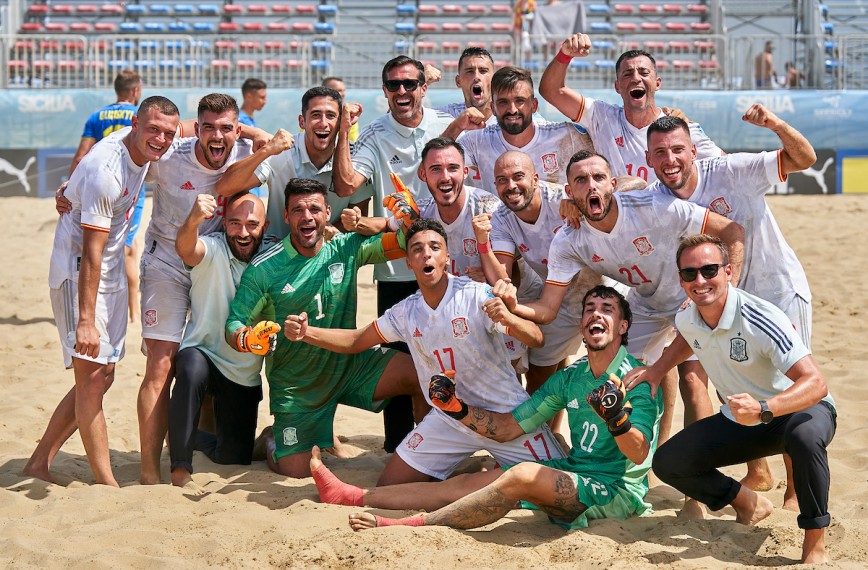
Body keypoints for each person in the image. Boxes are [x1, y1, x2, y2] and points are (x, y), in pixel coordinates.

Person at [308, 285, 663, 533]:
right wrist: (457, 408)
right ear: (582, 325)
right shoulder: (572, 378)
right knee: (472, 482)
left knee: (522, 474)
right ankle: (353, 495)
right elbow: (508, 428)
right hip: (573, 473)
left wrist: (617, 420)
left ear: (623, 326)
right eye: (589, 310)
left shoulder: (634, 379)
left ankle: (404, 525)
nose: (596, 315)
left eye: (607, 310)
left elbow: (640, 453)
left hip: (615, 492)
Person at [283, 218, 564, 485]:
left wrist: (510, 318)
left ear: (446, 258)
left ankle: (494, 468)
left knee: (555, 481)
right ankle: (475, 469)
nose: (426, 255)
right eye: (417, 249)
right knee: (389, 483)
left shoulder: (477, 295)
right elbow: (357, 340)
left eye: (434, 248)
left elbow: (537, 338)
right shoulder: (407, 312)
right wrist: (306, 333)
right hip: (450, 420)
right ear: (408, 262)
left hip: (505, 416)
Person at [505, 150, 745, 444]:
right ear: (569, 192)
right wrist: (512, 306)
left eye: (598, 178)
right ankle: (643, 454)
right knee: (620, 375)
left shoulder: (654, 206)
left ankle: (715, 473)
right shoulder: (569, 240)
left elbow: (731, 230)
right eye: (581, 180)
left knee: (695, 380)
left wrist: (727, 292)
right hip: (644, 302)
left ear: (612, 183)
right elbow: (548, 307)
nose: (591, 186)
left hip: (687, 296)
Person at [624, 235, 836, 565]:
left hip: (800, 409)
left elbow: (817, 383)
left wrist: (765, 408)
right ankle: (747, 503)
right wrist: (655, 371)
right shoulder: (688, 316)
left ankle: (814, 542)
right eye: (689, 274)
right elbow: (687, 339)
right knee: (668, 462)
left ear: (728, 273)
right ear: (681, 280)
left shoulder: (760, 317)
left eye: (709, 270)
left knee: (804, 438)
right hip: (746, 417)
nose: (700, 280)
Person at [645, 107, 818, 500]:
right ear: (648, 159)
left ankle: (796, 489)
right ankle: (759, 473)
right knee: (731, 382)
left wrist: (774, 125)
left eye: (677, 150)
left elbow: (805, 159)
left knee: (788, 387)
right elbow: (622, 195)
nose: (669, 160)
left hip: (777, 290)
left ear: (693, 151)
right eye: (659, 152)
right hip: (722, 303)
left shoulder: (732, 171)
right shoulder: (657, 197)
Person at [23, 96, 180, 486]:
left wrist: (255, 133)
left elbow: (193, 126)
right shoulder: (104, 171)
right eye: (153, 130)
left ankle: (39, 462)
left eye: (167, 132)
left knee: (101, 375)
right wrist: (86, 322)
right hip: (79, 272)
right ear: (134, 124)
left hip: (108, 271)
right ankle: (106, 483)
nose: (160, 139)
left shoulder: (152, 145)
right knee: (92, 377)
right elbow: (91, 254)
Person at [332, 55, 482, 452]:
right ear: (384, 91)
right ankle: (399, 447)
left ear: (423, 88)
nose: (402, 92)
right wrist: (345, 131)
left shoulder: (442, 118)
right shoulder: (375, 133)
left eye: (410, 85)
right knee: (400, 360)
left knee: (453, 355)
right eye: (393, 85)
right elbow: (347, 184)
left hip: (451, 266)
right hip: (398, 269)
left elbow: (480, 101)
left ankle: (454, 441)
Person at [225, 178, 422, 479]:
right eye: (299, 210)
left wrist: (410, 219)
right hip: (298, 386)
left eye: (315, 209)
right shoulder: (264, 269)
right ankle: (270, 440)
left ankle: (424, 454)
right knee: (300, 471)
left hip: (351, 365)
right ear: (287, 215)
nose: (308, 217)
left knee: (423, 376)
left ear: (328, 212)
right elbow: (234, 323)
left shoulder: (345, 247)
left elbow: (406, 245)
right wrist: (246, 339)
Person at [137, 93, 263, 484]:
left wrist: (258, 135)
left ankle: (205, 439)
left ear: (237, 130)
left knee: (214, 349)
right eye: (207, 127)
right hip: (169, 264)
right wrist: (71, 189)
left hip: (216, 260)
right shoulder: (171, 155)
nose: (217, 136)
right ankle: (149, 470)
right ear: (196, 129)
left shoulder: (248, 149)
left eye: (226, 127)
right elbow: (131, 151)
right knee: (163, 362)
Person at [474, 151, 589, 421]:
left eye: (518, 177)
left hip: (604, 293)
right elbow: (502, 277)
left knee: (617, 374)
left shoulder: (564, 196)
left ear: (535, 178)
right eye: (502, 180)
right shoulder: (501, 218)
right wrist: (482, 243)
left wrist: (577, 200)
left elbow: (631, 185)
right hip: (556, 300)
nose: (511, 186)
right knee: (541, 376)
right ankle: (547, 443)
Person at [168, 192, 269, 492]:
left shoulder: (272, 259)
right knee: (189, 368)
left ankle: (179, 431)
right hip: (202, 353)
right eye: (235, 224)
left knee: (234, 457)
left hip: (242, 372)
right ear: (224, 224)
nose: (242, 232)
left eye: (252, 224)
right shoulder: (213, 248)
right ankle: (180, 469)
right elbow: (187, 249)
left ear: (265, 226)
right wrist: (194, 220)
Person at [539, 35, 723, 184]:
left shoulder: (682, 131)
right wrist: (565, 54)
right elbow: (552, 90)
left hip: (666, 226)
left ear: (657, 83)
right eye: (627, 74)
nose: (636, 78)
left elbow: (726, 166)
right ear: (617, 86)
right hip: (619, 226)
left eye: (644, 73)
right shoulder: (601, 116)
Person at [216, 86, 372, 240]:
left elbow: (358, 216)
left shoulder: (354, 156)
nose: (323, 123)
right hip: (276, 257)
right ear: (302, 121)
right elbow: (225, 188)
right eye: (316, 115)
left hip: (329, 258)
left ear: (340, 123)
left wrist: (328, 233)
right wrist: (265, 151)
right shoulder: (281, 151)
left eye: (331, 116)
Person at [69, 70, 145, 323]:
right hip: (130, 189)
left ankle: (109, 304)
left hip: (99, 187)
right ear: (135, 91)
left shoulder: (96, 116)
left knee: (100, 247)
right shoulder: (138, 117)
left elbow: (82, 155)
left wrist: (70, 189)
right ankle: (133, 310)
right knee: (127, 250)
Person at [456, 65, 594, 191]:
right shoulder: (476, 141)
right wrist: (456, 126)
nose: (512, 109)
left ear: (534, 105)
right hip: (498, 218)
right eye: (503, 102)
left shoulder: (567, 135)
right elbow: (438, 161)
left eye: (520, 101)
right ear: (493, 108)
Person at [434, 47, 497, 125]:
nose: (476, 77)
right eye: (470, 71)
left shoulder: (507, 117)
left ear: (494, 80)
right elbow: (417, 117)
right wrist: (423, 81)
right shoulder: (447, 116)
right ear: (458, 81)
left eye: (483, 71)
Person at [321, 77, 360, 143]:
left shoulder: (349, 116)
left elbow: (353, 144)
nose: (343, 94)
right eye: (339, 90)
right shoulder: (310, 114)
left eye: (343, 90)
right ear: (324, 91)